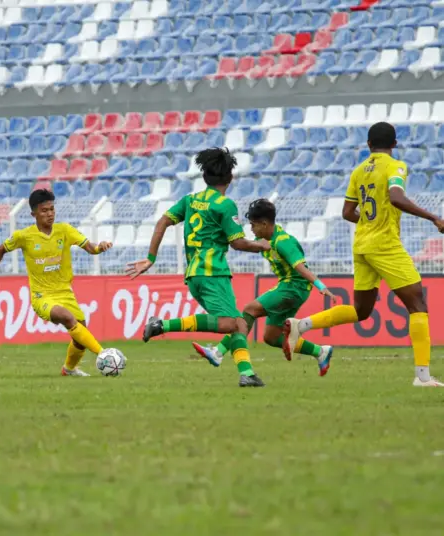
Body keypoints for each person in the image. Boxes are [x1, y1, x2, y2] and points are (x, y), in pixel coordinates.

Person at [284, 122, 444, 387]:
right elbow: (396, 197)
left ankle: (301, 325)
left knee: (361, 310)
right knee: (417, 305)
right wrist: (433, 217)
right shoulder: (396, 166)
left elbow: (347, 213)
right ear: (394, 145)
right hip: (385, 245)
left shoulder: (359, 171)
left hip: (361, 245)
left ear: (368, 145)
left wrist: (369, 224)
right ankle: (423, 377)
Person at [126, 147, 271, 387]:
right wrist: (262, 246)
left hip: (194, 274)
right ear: (230, 177)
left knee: (240, 324)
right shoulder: (225, 205)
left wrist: (151, 257)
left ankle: (247, 374)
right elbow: (237, 242)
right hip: (213, 272)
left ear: (205, 177)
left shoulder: (190, 201)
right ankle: (162, 325)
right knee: (231, 324)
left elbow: (162, 222)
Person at [192, 198, 336, 376]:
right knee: (271, 337)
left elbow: (300, 267)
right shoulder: (263, 238)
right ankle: (321, 352)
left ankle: (218, 352)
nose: (251, 229)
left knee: (249, 310)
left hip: (293, 287)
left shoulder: (284, 242)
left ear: (265, 223)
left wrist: (320, 285)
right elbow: (241, 243)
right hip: (288, 287)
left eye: (253, 225)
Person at [0, 188, 112, 376]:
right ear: (33, 214)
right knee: (67, 318)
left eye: (52, 209)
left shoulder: (65, 230)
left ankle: (69, 369)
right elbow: (0, 250)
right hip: (41, 296)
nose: (50, 214)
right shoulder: (24, 236)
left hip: (65, 292)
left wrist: (99, 247)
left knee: (80, 336)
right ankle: (105, 355)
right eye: (44, 210)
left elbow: (90, 247)